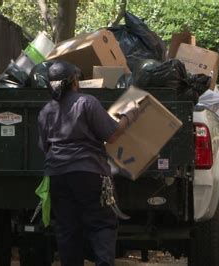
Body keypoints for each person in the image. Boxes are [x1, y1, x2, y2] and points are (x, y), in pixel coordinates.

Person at [37, 60, 138, 266]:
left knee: (67, 229)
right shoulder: (86, 102)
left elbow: (44, 147)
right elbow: (111, 135)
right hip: (89, 174)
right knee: (102, 224)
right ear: (74, 81)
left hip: (57, 175)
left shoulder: (46, 111)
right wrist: (129, 117)